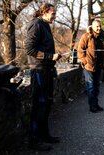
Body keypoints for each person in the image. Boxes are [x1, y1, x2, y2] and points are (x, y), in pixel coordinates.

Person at [25, 3, 62, 151]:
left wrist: (52, 57)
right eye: (53, 14)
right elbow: (29, 49)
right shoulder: (36, 25)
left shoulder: (45, 25)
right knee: (39, 105)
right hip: (39, 71)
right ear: (44, 12)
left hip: (47, 70)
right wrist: (49, 56)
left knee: (46, 104)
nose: (55, 16)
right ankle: (34, 140)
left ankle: (44, 135)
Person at [77, 20, 104, 113]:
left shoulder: (102, 37)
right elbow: (80, 50)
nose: (98, 28)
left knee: (97, 86)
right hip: (89, 66)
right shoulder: (86, 36)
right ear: (92, 27)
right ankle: (92, 106)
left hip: (99, 66)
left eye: (100, 26)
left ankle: (96, 104)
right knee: (91, 86)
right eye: (97, 26)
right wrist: (85, 61)